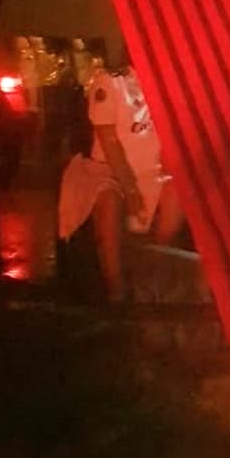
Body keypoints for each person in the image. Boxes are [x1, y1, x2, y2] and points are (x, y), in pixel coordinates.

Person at [57, 58, 183, 302]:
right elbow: (110, 144)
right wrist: (132, 192)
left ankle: (150, 273)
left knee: (179, 194)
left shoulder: (169, 86)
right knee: (109, 200)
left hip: (151, 171)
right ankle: (116, 288)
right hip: (108, 170)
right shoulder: (110, 83)